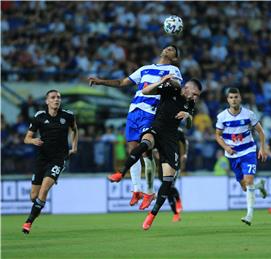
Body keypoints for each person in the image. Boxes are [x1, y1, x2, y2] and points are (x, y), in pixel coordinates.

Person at [89, 45, 182, 210]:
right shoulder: (145, 69)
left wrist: (169, 81)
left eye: (172, 50)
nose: (167, 49)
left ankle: (149, 191)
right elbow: (122, 82)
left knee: (145, 149)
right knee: (132, 149)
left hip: (151, 112)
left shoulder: (173, 69)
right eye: (167, 47)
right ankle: (136, 189)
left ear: (175, 57)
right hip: (134, 111)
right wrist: (100, 81)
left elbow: (177, 86)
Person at [107, 76, 202, 230]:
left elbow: (189, 125)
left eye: (197, 96)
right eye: (195, 94)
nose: (195, 98)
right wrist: (161, 81)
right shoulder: (172, 89)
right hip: (156, 130)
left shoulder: (190, 103)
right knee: (144, 144)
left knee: (167, 180)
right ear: (188, 88)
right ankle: (120, 173)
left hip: (170, 141)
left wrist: (188, 116)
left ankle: (151, 216)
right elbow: (145, 91)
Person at [22, 90, 78, 234]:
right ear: (47, 101)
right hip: (42, 159)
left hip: (58, 159)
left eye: (58, 97)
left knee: (44, 190)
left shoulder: (68, 115)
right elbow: (26, 138)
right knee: (34, 196)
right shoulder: (39, 117)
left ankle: (28, 222)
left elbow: (75, 130)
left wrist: (74, 147)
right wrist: (33, 140)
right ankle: (38, 206)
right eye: (53, 98)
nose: (56, 100)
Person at [215, 88, 267, 226]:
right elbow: (217, 135)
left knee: (248, 180)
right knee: (245, 186)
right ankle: (259, 186)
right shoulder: (222, 117)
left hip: (248, 151)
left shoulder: (249, 114)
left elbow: (261, 132)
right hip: (232, 154)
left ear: (240, 98)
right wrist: (226, 147)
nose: (233, 99)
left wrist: (262, 148)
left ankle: (249, 214)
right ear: (227, 100)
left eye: (236, 97)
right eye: (231, 97)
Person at [154, 127, 187, 222]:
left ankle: (177, 203)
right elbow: (155, 148)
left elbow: (185, 142)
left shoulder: (178, 130)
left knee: (169, 185)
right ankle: (176, 213)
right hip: (162, 165)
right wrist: (156, 153)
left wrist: (184, 155)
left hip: (174, 163)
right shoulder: (160, 130)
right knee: (167, 189)